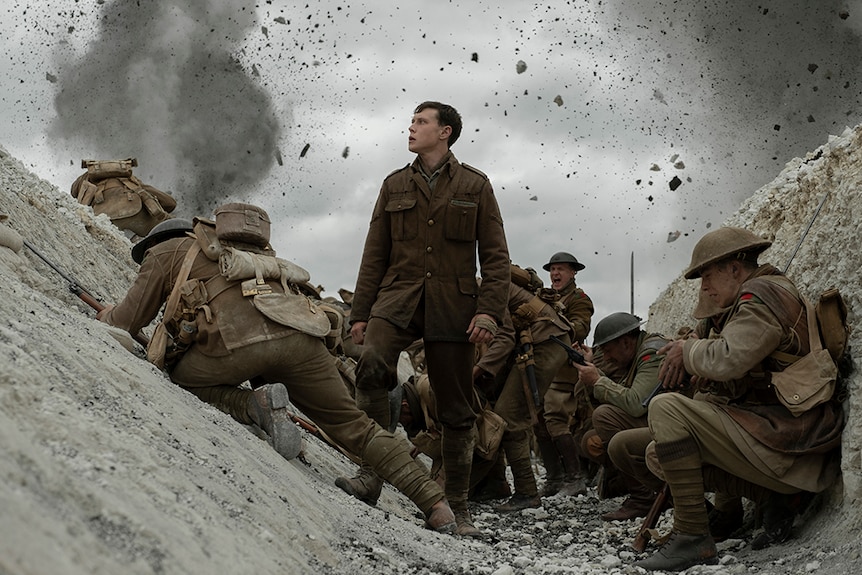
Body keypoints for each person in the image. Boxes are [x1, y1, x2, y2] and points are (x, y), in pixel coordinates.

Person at [98, 209, 457, 534]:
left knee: (182, 378)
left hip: (238, 343)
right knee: (357, 428)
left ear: (158, 240)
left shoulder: (164, 252)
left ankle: (254, 405)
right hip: (299, 337)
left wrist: (106, 315)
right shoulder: (252, 258)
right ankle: (436, 505)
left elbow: (127, 320)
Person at [342, 101, 510, 538]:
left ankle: (457, 506)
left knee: (456, 407)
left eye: (421, 122)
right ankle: (370, 475)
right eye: (412, 121)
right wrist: (360, 314)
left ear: (446, 132)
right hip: (397, 299)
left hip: (453, 306)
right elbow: (373, 253)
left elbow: (495, 257)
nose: (411, 128)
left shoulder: (476, 185)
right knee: (372, 365)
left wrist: (489, 312)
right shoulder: (394, 183)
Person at [633, 227, 845, 571]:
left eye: (707, 274)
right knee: (659, 454)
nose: (704, 286)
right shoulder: (754, 297)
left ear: (735, 267)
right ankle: (778, 496)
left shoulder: (761, 296)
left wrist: (689, 352)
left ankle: (692, 537)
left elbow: (730, 357)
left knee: (666, 408)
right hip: (788, 442)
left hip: (800, 445)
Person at [473, 274, 575, 512]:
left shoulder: (484, 289)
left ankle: (527, 492)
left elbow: (505, 338)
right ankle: (496, 484)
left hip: (546, 342)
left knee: (507, 417)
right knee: (493, 404)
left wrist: (474, 372)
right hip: (536, 340)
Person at [571, 312, 670, 521]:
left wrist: (598, 381)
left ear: (625, 342)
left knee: (604, 416)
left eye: (607, 350)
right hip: (660, 421)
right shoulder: (636, 355)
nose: (606, 357)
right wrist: (594, 371)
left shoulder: (651, 354)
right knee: (592, 439)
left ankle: (643, 497)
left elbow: (635, 404)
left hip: (672, 426)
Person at [538, 252, 595, 497]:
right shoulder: (544, 298)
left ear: (573, 273)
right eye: (552, 270)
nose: (555, 274)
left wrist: (552, 318)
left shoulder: (579, 299)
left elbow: (580, 327)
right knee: (537, 420)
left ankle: (574, 478)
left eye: (561, 269)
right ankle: (554, 478)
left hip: (563, 369)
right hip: (542, 368)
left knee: (555, 419)